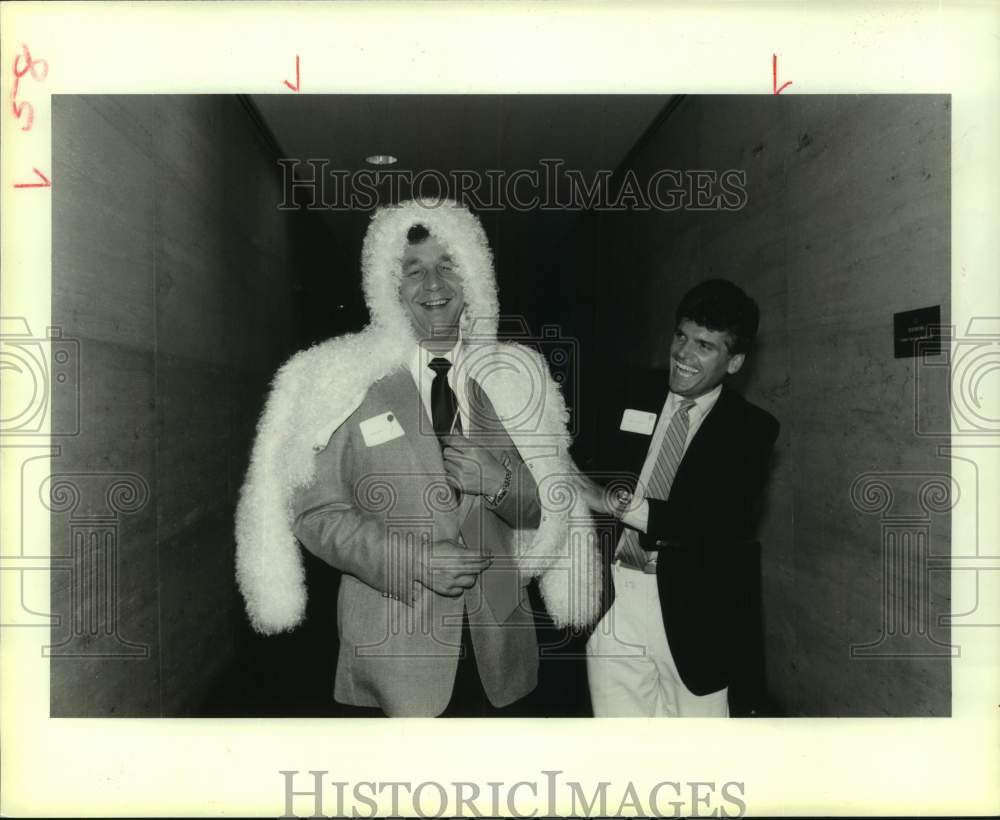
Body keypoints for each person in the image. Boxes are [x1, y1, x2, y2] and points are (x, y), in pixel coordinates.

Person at [234, 198, 600, 717]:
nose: (434, 285)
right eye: (414, 271)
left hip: (499, 647)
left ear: (472, 277)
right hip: (397, 648)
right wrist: (415, 561)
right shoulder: (345, 382)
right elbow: (316, 513)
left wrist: (500, 483)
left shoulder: (512, 380)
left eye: (447, 266)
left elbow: (546, 513)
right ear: (389, 284)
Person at [575, 279, 779, 717]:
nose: (684, 355)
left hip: (694, 618)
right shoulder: (628, 392)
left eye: (705, 345)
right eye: (681, 337)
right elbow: (580, 464)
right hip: (614, 600)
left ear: (735, 361)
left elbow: (720, 523)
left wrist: (617, 504)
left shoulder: (752, 429)